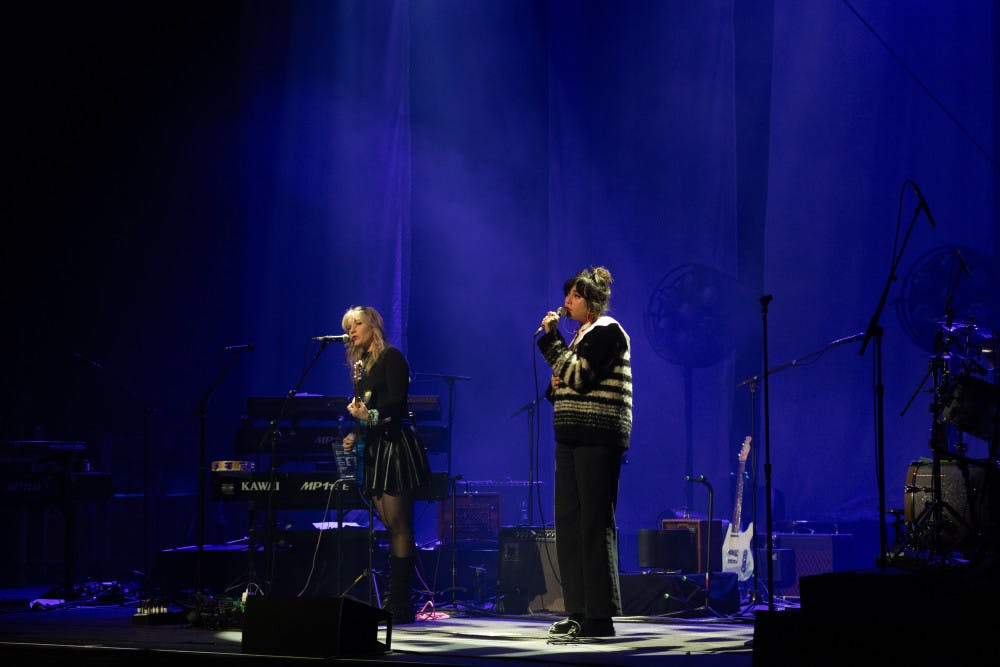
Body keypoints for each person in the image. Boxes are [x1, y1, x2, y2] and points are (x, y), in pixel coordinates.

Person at [536, 266, 632, 638]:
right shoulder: (579, 338)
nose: (567, 301)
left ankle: (599, 616)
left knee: (594, 523)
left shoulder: (608, 331)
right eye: (568, 294)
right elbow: (561, 386)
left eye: (575, 296)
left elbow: (579, 377)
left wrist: (552, 342)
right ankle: (577, 610)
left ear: (591, 302)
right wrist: (558, 374)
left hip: (598, 436)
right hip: (571, 436)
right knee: (569, 524)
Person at [340, 305, 432, 624]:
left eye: (357, 324)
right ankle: (397, 596)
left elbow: (396, 404)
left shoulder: (392, 358)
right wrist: (355, 433)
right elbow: (364, 410)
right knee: (390, 526)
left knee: (399, 524)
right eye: (348, 327)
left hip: (394, 447)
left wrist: (369, 416)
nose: (352, 331)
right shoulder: (361, 367)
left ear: (373, 326)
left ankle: (401, 601)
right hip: (375, 449)